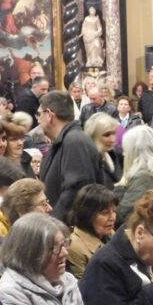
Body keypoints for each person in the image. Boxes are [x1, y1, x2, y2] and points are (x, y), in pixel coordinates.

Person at [37, 90, 104, 225]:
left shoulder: (75, 141)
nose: (38, 119)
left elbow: (75, 191)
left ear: (49, 114)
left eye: (39, 114)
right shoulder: (66, 140)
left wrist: (53, 224)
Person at [114, 125, 153, 225]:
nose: (123, 154)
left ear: (133, 151)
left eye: (125, 150)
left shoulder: (144, 179)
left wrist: (120, 189)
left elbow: (124, 218)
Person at [67, 184, 117, 279]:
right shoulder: (74, 246)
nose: (113, 218)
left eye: (114, 211)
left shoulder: (110, 234)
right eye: (105, 213)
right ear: (87, 214)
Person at [84, 112, 122, 187]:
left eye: (114, 133)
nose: (113, 139)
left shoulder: (114, 155)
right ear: (93, 135)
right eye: (107, 135)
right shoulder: (87, 162)